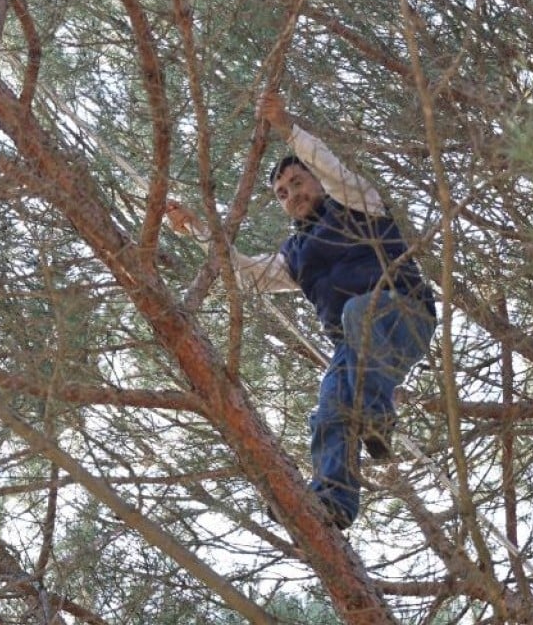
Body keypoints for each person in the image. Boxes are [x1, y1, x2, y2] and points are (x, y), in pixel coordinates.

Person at [164, 93, 436, 529]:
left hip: (403, 316)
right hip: (357, 347)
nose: (292, 195)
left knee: (358, 313)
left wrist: (288, 129)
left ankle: (377, 416)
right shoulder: (295, 253)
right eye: (282, 194)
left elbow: (332, 168)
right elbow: (247, 275)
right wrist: (196, 227)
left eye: (298, 182)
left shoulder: (358, 203)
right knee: (330, 406)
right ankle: (331, 502)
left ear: (316, 180)